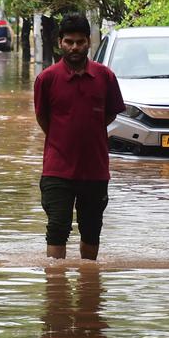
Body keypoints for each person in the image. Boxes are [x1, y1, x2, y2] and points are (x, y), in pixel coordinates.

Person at [33, 13, 125, 261]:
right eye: (69, 42)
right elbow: (43, 118)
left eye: (80, 42)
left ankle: (89, 290)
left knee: (92, 231)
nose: (75, 47)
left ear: (88, 43)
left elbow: (109, 115)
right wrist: (63, 137)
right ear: (60, 42)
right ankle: (56, 290)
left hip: (94, 170)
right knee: (56, 231)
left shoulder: (105, 77)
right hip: (57, 170)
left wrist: (88, 129)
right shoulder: (47, 79)